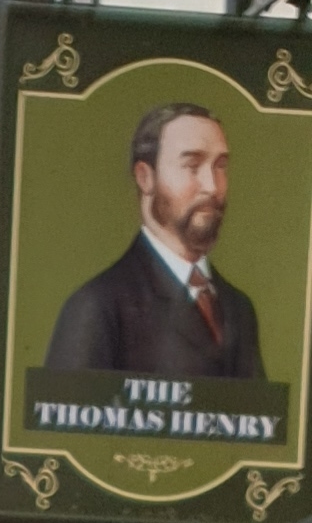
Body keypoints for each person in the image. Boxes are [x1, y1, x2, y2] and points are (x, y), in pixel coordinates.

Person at [44, 99, 263, 380]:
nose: (212, 186)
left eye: (220, 167)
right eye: (192, 166)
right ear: (145, 177)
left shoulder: (238, 308)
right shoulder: (97, 306)